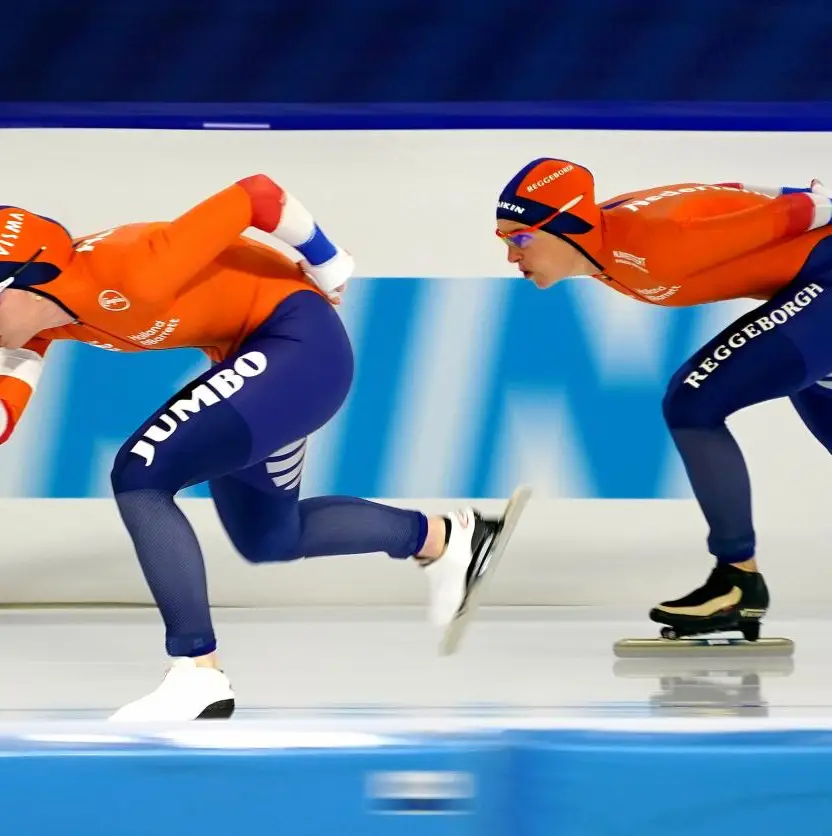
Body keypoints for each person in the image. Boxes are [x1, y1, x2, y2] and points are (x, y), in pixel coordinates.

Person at [0, 175, 524, 721]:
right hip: (257, 365)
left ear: (23, 284)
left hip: (297, 345)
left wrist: (328, 262)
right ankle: (450, 539)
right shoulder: (41, 319)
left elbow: (256, 195)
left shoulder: (133, 268)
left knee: (142, 472)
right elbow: (7, 404)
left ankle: (197, 673)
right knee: (270, 536)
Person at [495, 156, 832, 642]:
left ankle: (737, 582)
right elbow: (729, 190)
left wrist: (813, 201)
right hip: (810, 290)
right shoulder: (608, 240)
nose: (511, 256)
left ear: (568, 226)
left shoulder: (658, 241)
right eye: (505, 240)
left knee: (693, 402)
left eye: (521, 239)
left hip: (823, 285)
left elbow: (799, 210)